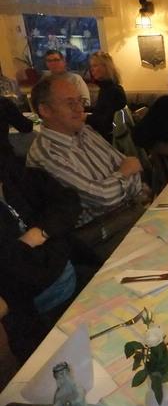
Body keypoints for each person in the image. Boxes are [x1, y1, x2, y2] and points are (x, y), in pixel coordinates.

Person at [26, 76, 146, 259]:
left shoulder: (85, 132)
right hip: (98, 237)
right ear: (45, 110)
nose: (79, 108)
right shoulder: (47, 154)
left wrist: (120, 181)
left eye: (80, 101)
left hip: (129, 216)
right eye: (70, 103)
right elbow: (103, 197)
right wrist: (123, 174)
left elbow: (134, 168)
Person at [0, 153, 98, 361]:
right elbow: (22, 272)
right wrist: (52, 237)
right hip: (38, 318)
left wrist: (41, 232)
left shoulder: (16, 176)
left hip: (77, 278)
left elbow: (69, 201)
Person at [86, 51, 127, 143]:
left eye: (95, 66)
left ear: (106, 67)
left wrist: (85, 117)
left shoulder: (113, 91)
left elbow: (106, 122)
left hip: (110, 140)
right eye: (91, 66)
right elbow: (100, 111)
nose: (91, 70)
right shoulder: (105, 88)